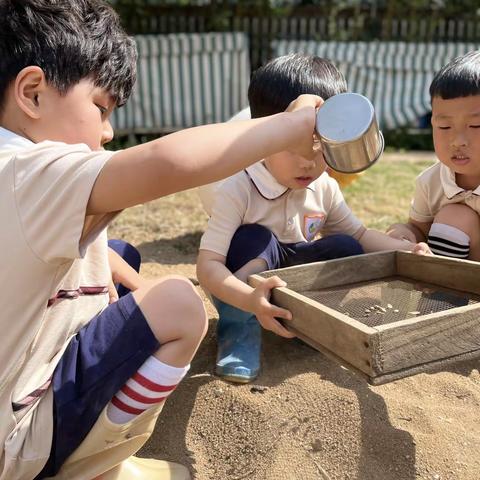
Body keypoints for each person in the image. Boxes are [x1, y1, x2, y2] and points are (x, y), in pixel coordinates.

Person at [0, 1, 323, 479]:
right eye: (100, 107)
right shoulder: (29, 172)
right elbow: (167, 164)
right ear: (32, 92)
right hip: (19, 440)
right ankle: (98, 468)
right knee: (177, 305)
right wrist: (286, 128)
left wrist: (122, 282)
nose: (108, 131)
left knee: (119, 257)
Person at [196, 53, 431, 385]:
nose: (308, 161)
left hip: (296, 279)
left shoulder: (324, 186)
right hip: (247, 287)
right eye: (293, 145)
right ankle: (240, 332)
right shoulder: (240, 187)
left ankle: (312, 323)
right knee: (254, 238)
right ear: (263, 137)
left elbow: (359, 234)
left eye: (319, 145)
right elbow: (208, 266)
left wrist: (404, 249)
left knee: (344, 245)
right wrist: (247, 296)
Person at [387, 50, 480, 261]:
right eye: (444, 126)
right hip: (459, 280)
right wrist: (405, 235)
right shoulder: (431, 181)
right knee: (455, 218)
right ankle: (443, 293)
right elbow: (420, 230)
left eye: (476, 125)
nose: (458, 141)